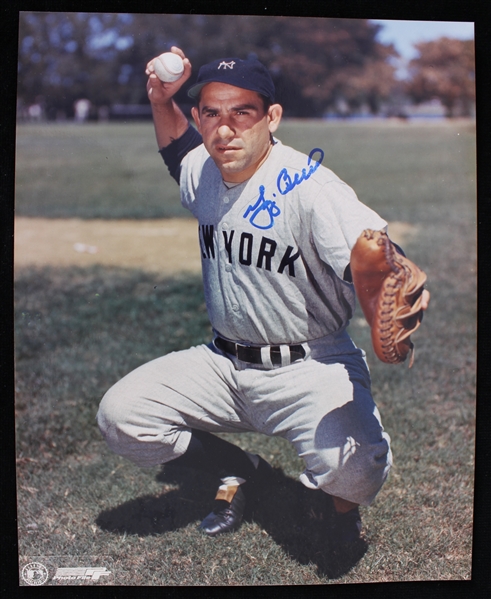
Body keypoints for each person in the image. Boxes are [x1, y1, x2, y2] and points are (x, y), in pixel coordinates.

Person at [97, 47, 430, 545]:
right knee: (121, 415)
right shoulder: (205, 168)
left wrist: (388, 276)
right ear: (198, 117)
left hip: (310, 365)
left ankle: (337, 514)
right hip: (222, 364)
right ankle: (239, 468)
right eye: (212, 113)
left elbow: (378, 254)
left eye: (242, 113)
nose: (225, 129)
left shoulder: (309, 184)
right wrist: (159, 100)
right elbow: (177, 153)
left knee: (356, 469)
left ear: (272, 117)